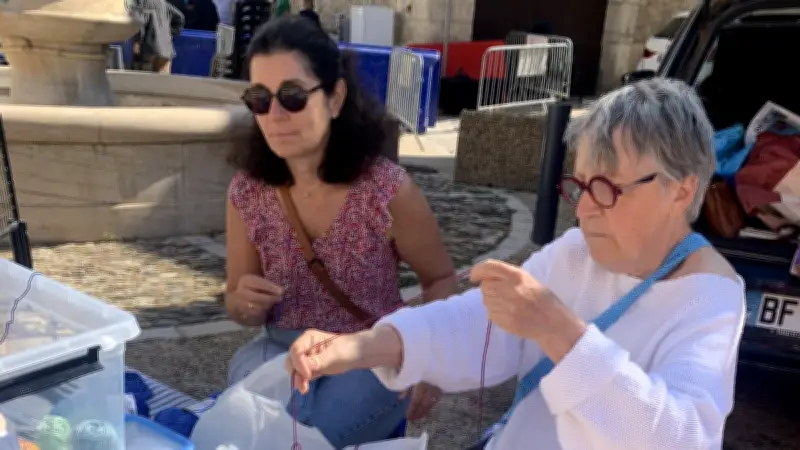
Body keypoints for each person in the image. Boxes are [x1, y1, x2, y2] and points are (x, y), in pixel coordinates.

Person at [285, 78, 747, 449]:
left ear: (681, 191)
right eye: (581, 186)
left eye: (608, 189)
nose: (584, 210)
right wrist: (361, 347)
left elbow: (682, 436)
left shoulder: (712, 297)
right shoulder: (576, 251)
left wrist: (559, 330)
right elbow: (477, 321)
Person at [225, 15, 457, 449]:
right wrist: (243, 302)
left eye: (292, 96)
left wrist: (432, 362)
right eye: (259, 98)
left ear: (335, 98)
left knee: (289, 430)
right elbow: (237, 302)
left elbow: (440, 279)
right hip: (282, 350)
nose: (274, 115)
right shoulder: (247, 191)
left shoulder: (385, 190)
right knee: (247, 390)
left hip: (368, 356)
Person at [127, 0, 185, 74]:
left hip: (148, 50)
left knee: (144, 82)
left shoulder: (140, 2)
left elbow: (139, 22)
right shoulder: (163, 3)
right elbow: (180, 18)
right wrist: (170, 32)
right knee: (162, 82)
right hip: (166, 50)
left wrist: (137, 41)